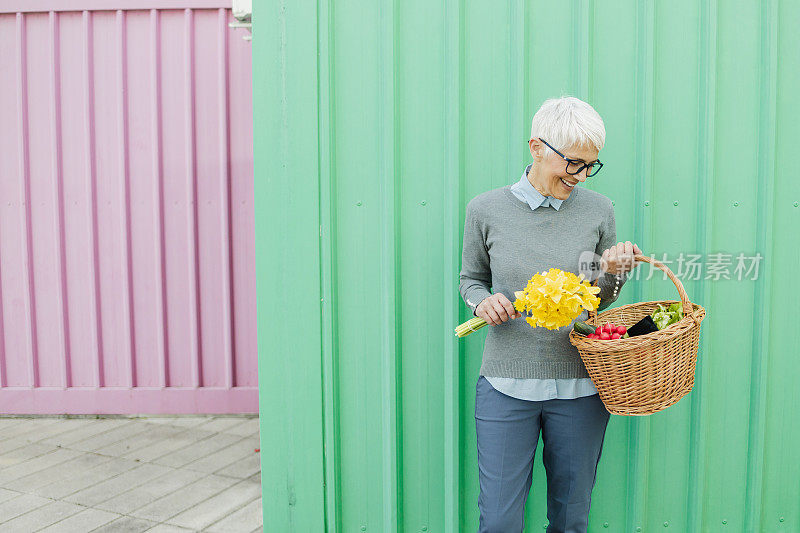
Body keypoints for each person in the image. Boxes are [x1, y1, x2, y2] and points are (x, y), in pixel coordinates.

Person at [458, 96, 642, 533]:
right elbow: (470, 279)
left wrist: (615, 273)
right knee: (500, 520)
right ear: (536, 147)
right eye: (573, 163)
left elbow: (599, 300)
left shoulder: (599, 211)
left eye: (590, 166)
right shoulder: (485, 210)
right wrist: (481, 302)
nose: (579, 176)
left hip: (579, 385)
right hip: (505, 384)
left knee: (570, 517)